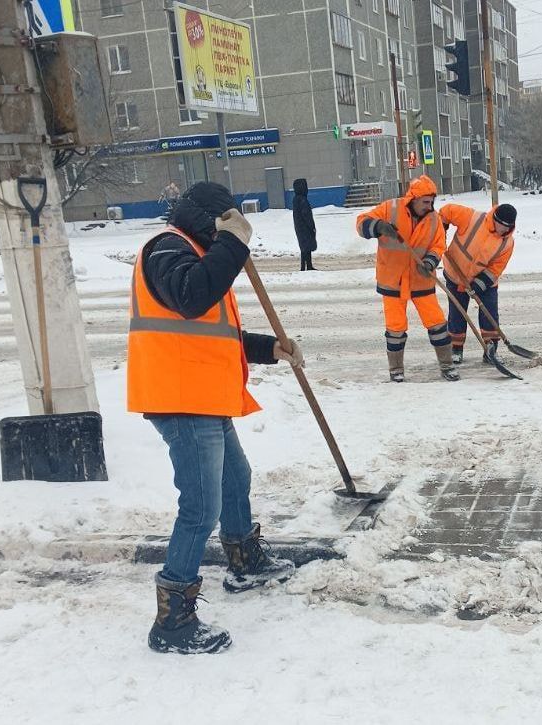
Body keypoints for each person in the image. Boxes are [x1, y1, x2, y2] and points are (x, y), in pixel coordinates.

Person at [127, 181, 303, 655]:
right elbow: (192, 297)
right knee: (201, 506)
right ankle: (173, 617)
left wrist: (269, 348)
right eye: (224, 222)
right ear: (209, 219)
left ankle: (244, 561)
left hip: (203, 395)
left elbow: (214, 334)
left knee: (235, 478)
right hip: (180, 400)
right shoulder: (165, 249)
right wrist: (231, 244)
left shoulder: (196, 253)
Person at [356, 175, 457, 382]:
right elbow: (361, 223)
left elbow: (438, 246)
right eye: (425, 202)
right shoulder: (390, 208)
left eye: (432, 202)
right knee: (395, 328)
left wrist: (429, 262)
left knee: (437, 323)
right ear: (413, 199)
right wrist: (377, 227)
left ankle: (447, 365)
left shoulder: (435, 220)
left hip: (422, 281)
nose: (429, 206)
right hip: (392, 280)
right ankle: (396, 370)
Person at [439, 202, 516, 364]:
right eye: (500, 225)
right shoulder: (472, 218)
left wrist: (478, 285)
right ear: (494, 218)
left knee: (490, 314)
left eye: (507, 227)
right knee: (457, 313)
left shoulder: (507, 243)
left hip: (485, 282)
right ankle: (456, 349)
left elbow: (495, 269)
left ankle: (491, 349)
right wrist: (441, 229)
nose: (503, 230)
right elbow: (446, 212)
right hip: (455, 274)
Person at [292, 178, 317, 271]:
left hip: (299, 227)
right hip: (305, 227)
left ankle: (304, 266)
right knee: (307, 246)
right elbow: (306, 214)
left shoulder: (295, 199)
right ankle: (308, 266)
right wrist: (312, 226)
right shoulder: (303, 199)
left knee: (304, 247)